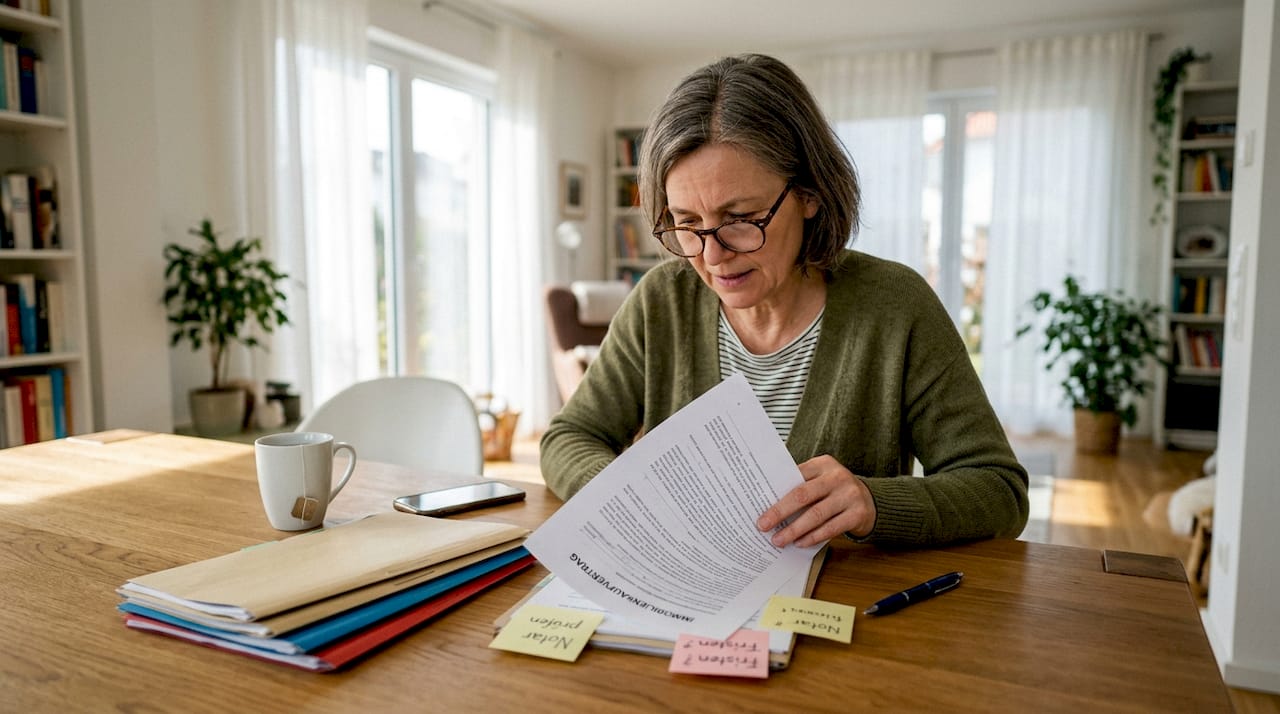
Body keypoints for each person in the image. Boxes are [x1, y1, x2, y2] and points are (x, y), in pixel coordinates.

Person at [540, 53, 1028, 548]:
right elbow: (569, 438)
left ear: (810, 194)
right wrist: (629, 495)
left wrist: (873, 502)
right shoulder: (660, 301)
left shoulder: (895, 308)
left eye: (741, 218)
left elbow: (999, 490)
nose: (712, 256)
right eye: (686, 223)